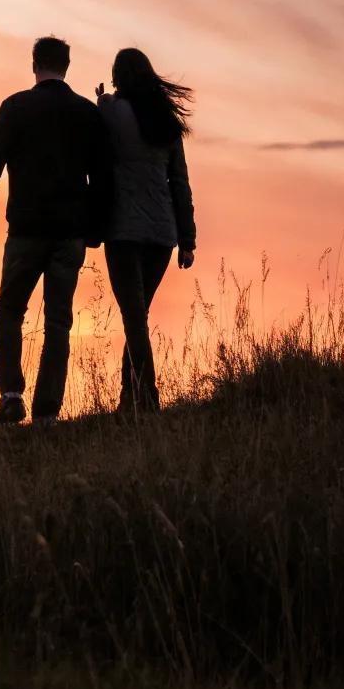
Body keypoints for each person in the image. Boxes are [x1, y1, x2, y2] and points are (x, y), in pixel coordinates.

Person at [0, 35, 112, 425]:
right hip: (70, 232)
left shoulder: (16, 107)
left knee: (10, 310)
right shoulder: (87, 114)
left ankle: (11, 394)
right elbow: (103, 179)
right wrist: (96, 229)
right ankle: (48, 412)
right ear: (66, 66)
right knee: (58, 320)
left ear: (34, 64)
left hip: (25, 230)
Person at [96, 48, 196, 414]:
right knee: (136, 315)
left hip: (123, 231)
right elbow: (180, 183)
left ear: (118, 76)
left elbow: (102, 145)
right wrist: (187, 240)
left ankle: (148, 398)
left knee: (134, 317)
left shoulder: (110, 110)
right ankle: (129, 399)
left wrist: (102, 100)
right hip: (162, 234)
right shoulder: (167, 121)